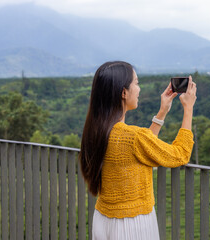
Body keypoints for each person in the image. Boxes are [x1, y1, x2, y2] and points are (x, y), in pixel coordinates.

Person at [79, 61, 197, 239]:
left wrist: (162, 111)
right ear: (124, 92)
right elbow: (180, 155)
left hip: (104, 219)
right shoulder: (132, 136)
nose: (139, 89)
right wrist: (188, 109)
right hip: (133, 224)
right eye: (136, 83)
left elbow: (140, 149)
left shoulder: (96, 130)